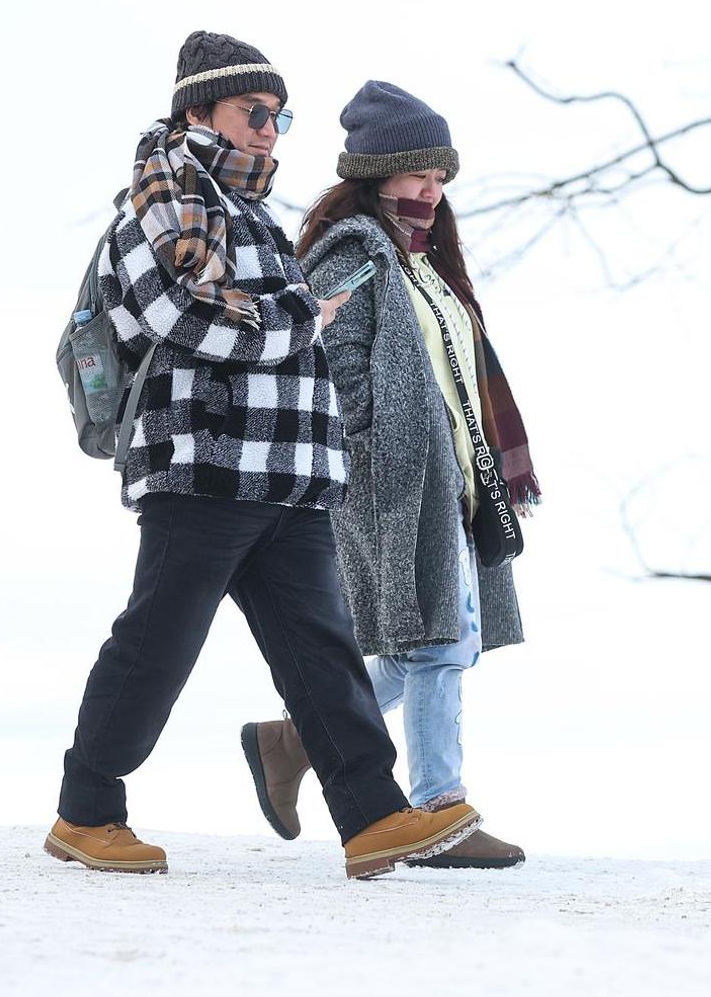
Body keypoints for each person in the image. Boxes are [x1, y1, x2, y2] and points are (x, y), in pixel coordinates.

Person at [46, 37, 479, 880]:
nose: (270, 131)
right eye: (255, 114)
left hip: (286, 475)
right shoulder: (157, 205)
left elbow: (254, 319)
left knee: (322, 652)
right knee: (156, 645)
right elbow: (179, 317)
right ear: (198, 111)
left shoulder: (252, 215)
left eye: (280, 117)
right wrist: (298, 320)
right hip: (204, 468)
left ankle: (373, 817)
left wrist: (291, 332)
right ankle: (85, 811)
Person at [241, 81, 540, 869]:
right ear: (376, 176)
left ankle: (296, 737)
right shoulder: (353, 251)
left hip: (451, 481)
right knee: (441, 642)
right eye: (416, 174)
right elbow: (328, 364)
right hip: (394, 482)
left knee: (424, 646)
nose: (431, 190)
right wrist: (375, 448)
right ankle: (440, 810)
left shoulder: (425, 265)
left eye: (440, 176)